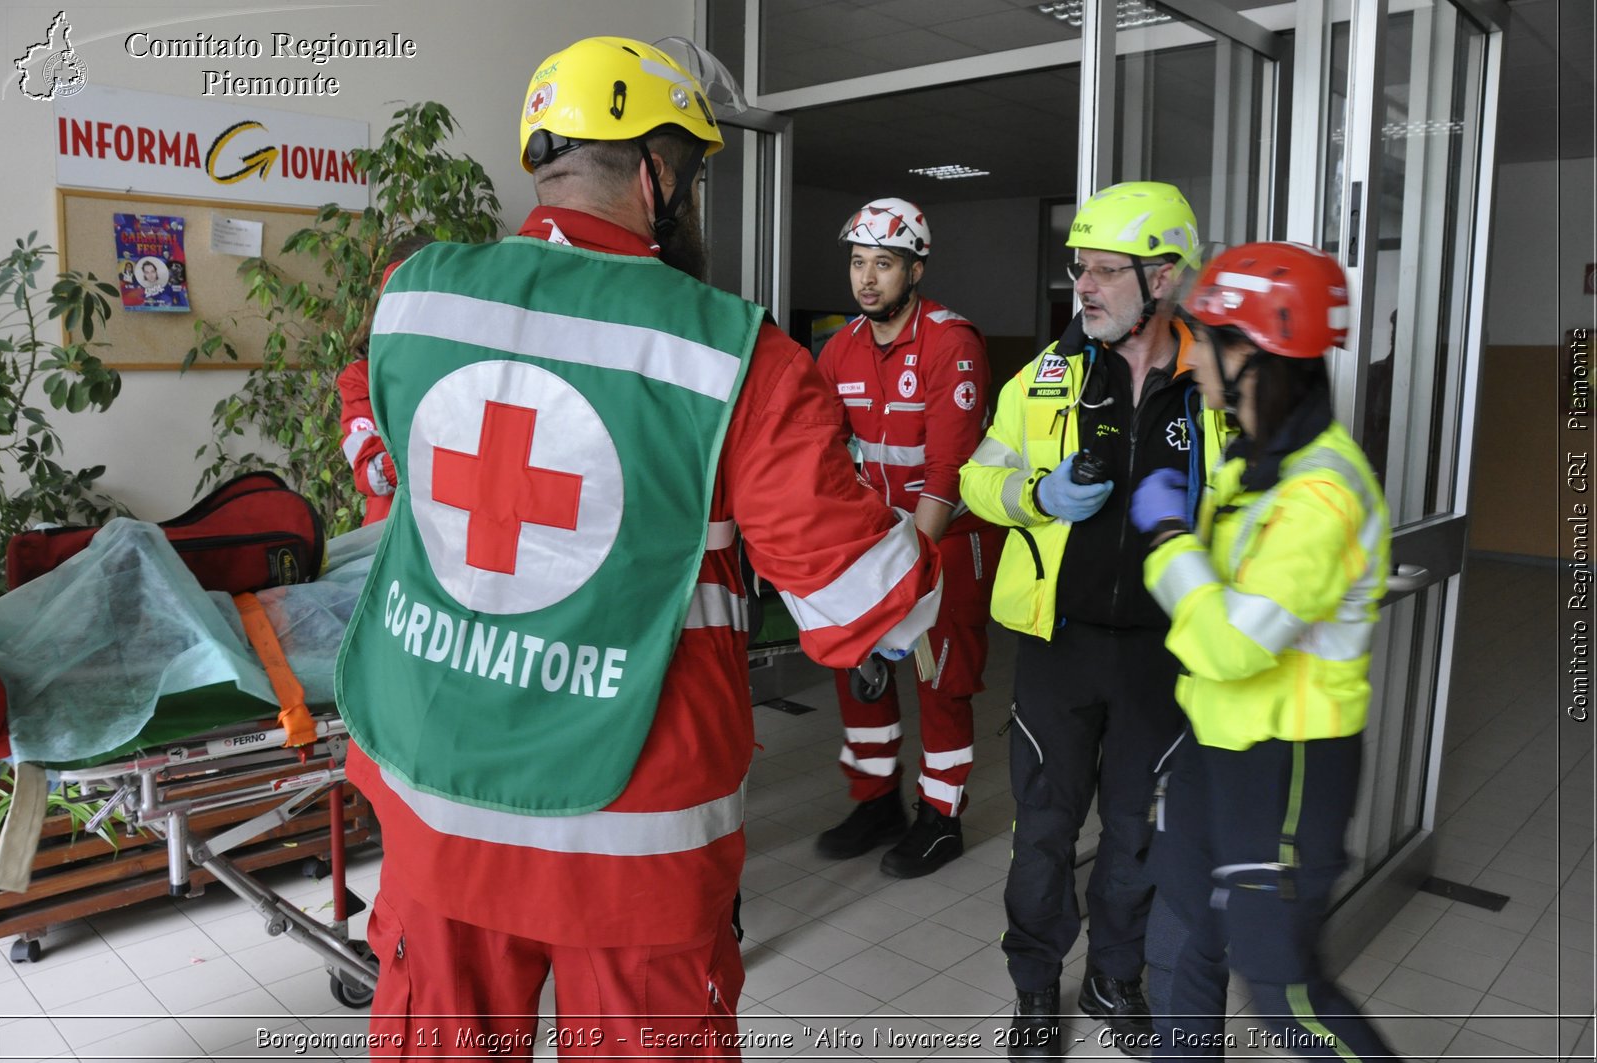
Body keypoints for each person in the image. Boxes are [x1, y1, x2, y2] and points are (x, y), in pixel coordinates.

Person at [335, 35, 943, 1058]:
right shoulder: (735, 352)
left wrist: (381, 470)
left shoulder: (419, 296)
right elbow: (855, 601)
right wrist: (934, 557)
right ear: (660, 174)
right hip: (630, 832)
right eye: (696, 176)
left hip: (437, 802)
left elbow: (375, 430)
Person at [959, 181, 1230, 1058]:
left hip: (1165, 653)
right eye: (1081, 269)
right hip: (1060, 646)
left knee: (1136, 831)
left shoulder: (1219, 385)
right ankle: (1036, 989)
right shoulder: (1044, 378)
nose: (1086, 286)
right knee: (1041, 829)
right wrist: (1036, 494)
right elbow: (976, 477)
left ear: (1165, 276)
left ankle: (1115, 975)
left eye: (1108, 271)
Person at [1131, 242, 1397, 1061]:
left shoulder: (1322, 490)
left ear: (1247, 353)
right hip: (1217, 749)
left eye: (1201, 337)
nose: (1192, 356)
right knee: (1179, 945)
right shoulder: (1256, 462)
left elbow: (1234, 641)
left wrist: (1170, 538)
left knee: (1282, 987)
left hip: (1288, 766)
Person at [812, 197, 1003, 878]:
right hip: (876, 539)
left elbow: (947, 472)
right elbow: (828, 455)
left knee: (939, 678)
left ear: (915, 270)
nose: (867, 279)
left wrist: (913, 566)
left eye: (884, 265)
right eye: (859, 263)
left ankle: (941, 815)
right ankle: (875, 800)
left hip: (944, 538)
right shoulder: (838, 349)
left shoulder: (953, 341)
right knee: (856, 668)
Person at [336, 233, 435, 525]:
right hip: (391, 535)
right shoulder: (360, 378)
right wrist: (435, 452)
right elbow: (369, 473)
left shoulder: (465, 362)